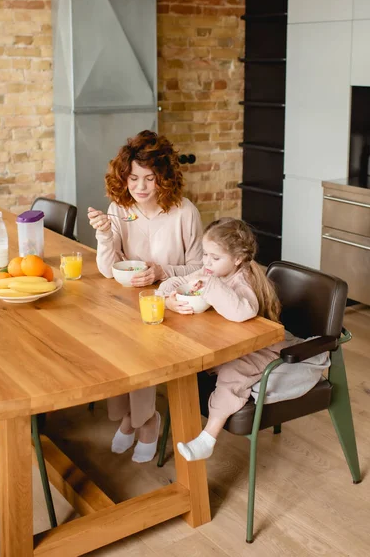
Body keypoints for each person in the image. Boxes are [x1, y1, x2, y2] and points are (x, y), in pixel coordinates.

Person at [159, 218, 329, 462]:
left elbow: (242, 312)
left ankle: (208, 437)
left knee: (233, 371)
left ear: (237, 259)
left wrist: (210, 285)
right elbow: (177, 282)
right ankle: (184, 420)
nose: (206, 262)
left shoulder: (244, 279)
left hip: (263, 347)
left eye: (214, 257)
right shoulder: (212, 271)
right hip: (229, 343)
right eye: (205, 254)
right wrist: (168, 299)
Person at [88, 130, 203, 463]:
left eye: (149, 179)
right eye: (133, 178)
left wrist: (160, 272)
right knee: (111, 345)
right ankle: (131, 418)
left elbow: (199, 269)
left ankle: (148, 421)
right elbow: (110, 271)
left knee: (141, 350)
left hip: (174, 305)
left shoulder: (185, 213)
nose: (139, 187)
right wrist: (105, 236)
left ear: (164, 178)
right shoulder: (119, 209)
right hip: (127, 302)